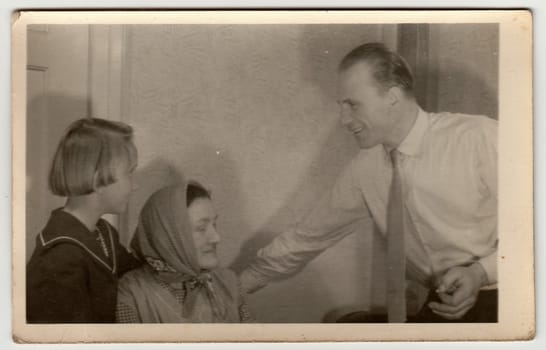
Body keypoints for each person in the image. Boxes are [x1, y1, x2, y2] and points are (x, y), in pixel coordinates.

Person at [240, 42, 498, 323]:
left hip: (511, 294)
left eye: (352, 104)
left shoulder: (478, 137)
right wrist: (234, 288)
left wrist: (480, 273)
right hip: (443, 303)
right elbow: (309, 237)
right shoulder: (366, 168)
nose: (343, 120)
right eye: (341, 106)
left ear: (393, 98)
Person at [27, 118, 142, 323]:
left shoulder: (103, 233)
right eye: (129, 173)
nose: (134, 186)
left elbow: (136, 272)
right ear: (98, 181)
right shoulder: (59, 259)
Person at [116, 181, 253, 323]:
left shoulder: (229, 283)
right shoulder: (132, 294)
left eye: (214, 225)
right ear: (167, 236)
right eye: (201, 228)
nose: (216, 237)